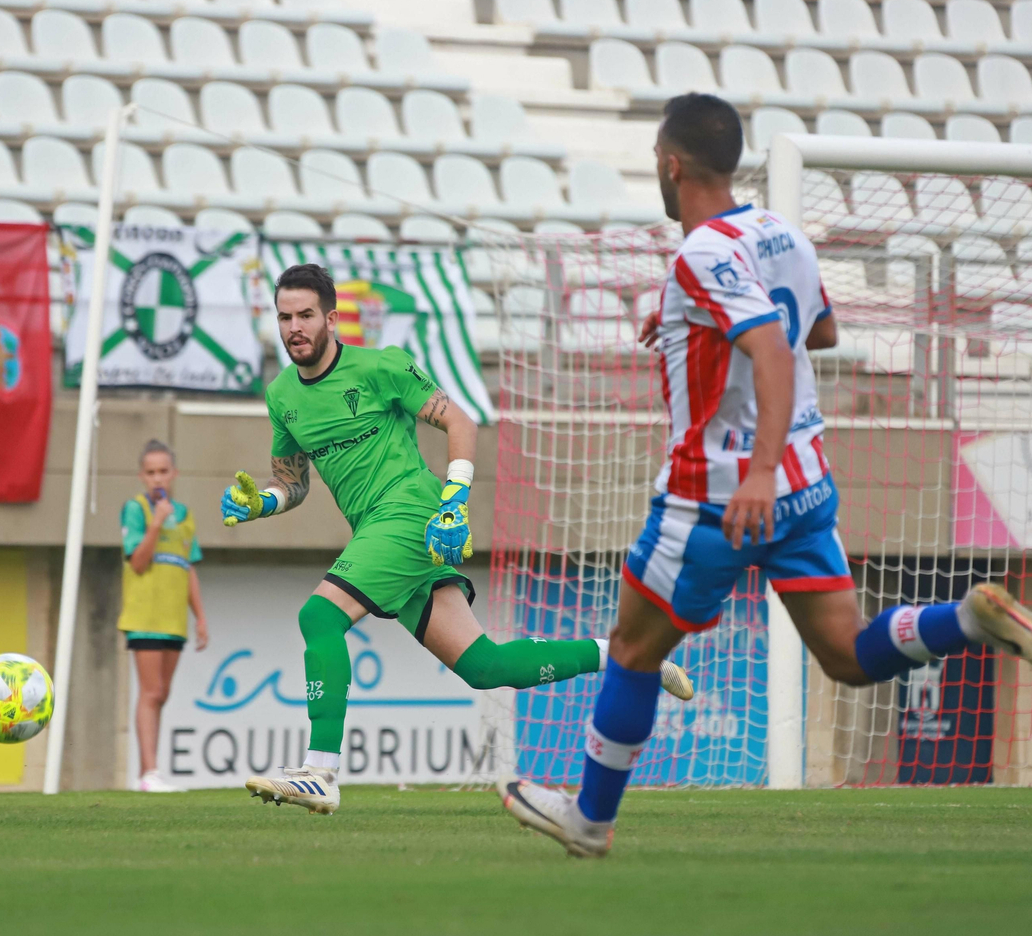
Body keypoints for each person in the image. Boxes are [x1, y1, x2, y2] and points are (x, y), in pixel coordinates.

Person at [498, 93, 1032, 857]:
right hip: (805, 487)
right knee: (846, 655)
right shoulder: (782, 234)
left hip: (718, 494)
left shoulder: (700, 253)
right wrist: (690, 323)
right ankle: (968, 620)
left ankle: (590, 821)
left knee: (634, 652)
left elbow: (773, 348)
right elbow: (822, 330)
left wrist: (757, 469)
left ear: (671, 165)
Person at [221, 263, 697, 816]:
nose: (294, 327)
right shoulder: (281, 395)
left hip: (410, 511)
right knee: (486, 667)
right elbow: (293, 482)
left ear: (330, 319)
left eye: (305, 315)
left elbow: (461, 423)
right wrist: (263, 502)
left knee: (319, 617)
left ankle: (320, 772)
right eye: (284, 317)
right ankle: (625, 655)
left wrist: (454, 502)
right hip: (379, 530)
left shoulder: (380, 366)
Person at [119, 439, 209, 794]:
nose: (157, 478)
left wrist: (200, 617)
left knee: (162, 693)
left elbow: (188, 568)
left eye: (163, 471)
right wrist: (156, 524)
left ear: (174, 474)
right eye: (151, 472)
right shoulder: (136, 509)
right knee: (151, 691)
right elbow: (138, 563)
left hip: (174, 619)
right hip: (145, 615)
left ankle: (149, 772)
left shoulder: (185, 515)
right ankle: (149, 772)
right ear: (142, 476)